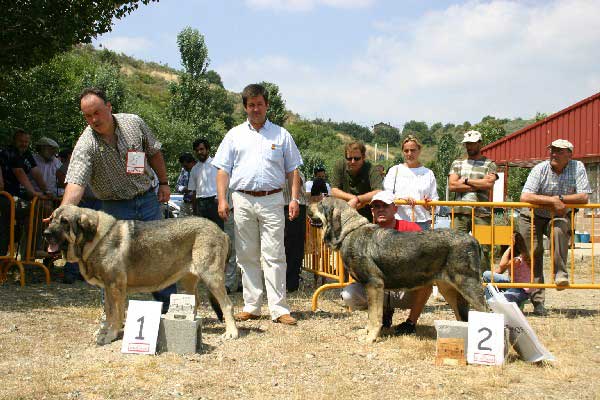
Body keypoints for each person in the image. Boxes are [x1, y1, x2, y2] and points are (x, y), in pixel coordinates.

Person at [61, 87, 175, 312]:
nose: (93, 119)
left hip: (148, 200)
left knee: (160, 255)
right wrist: (63, 213)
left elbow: (154, 152)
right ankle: (113, 317)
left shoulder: (134, 123)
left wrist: (163, 182)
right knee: (111, 263)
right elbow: (76, 183)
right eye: (87, 116)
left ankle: (171, 312)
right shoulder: (86, 144)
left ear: (109, 107)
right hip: (114, 208)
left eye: (97, 112)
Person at [213, 83, 303, 326]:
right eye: (251, 105)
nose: (255, 109)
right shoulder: (234, 135)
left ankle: (279, 308)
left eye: (259, 104)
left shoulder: (282, 135)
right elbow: (223, 170)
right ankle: (252, 306)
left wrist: (294, 198)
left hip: (273, 199)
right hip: (241, 199)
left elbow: (293, 170)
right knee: (246, 254)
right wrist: (222, 199)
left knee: (275, 254)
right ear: (245, 107)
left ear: (267, 106)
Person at [341, 191, 432, 335]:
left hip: (404, 289)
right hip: (378, 288)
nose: (380, 209)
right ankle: (382, 314)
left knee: (427, 279)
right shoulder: (364, 233)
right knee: (349, 295)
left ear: (395, 209)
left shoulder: (412, 229)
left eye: (385, 205)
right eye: (376, 206)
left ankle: (410, 323)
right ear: (372, 211)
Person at [519, 139, 591, 316]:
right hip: (532, 216)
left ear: (569, 154)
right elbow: (525, 196)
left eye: (559, 151)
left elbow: (584, 197)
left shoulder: (578, 167)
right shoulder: (540, 168)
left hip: (558, 215)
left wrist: (560, 199)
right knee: (533, 254)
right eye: (552, 150)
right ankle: (537, 302)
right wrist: (553, 201)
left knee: (559, 229)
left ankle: (560, 275)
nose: (554, 154)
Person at [448, 130, 498, 269]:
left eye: (472, 143)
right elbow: (452, 185)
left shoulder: (489, 164)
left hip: (482, 212)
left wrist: (465, 181)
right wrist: (478, 184)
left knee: (484, 248)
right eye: (467, 144)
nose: (469, 146)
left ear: (479, 143)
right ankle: (457, 281)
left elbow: (488, 184)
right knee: (456, 248)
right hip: (459, 211)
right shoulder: (457, 163)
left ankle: (485, 283)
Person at [0, 129, 51, 258]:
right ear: (14, 141)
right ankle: (29, 251)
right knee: (34, 209)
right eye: (21, 141)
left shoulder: (27, 154)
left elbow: (36, 173)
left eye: (26, 142)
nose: (24, 144)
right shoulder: (10, 152)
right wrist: (34, 193)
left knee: (43, 208)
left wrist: (46, 191)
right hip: (6, 196)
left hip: (17, 195)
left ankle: (29, 252)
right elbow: (19, 173)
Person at [383, 135, 438, 230]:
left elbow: (435, 201)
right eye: (406, 151)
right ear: (402, 152)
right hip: (398, 222)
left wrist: (429, 206)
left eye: (413, 150)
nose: (409, 153)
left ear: (419, 151)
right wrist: (401, 199)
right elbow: (386, 195)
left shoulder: (429, 173)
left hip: (422, 224)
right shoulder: (394, 170)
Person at [330, 141, 382, 221]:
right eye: (349, 158)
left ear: (363, 157)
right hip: (342, 215)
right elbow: (334, 191)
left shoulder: (372, 169)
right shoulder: (339, 165)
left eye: (356, 158)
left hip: (365, 217)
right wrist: (354, 199)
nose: (353, 161)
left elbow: (378, 191)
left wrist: (358, 199)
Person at [482, 231, 534, 306]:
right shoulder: (514, 258)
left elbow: (502, 264)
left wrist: (510, 246)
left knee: (502, 299)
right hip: (513, 284)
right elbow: (500, 270)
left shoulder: (520, 258)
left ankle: (493, 304)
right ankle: (491, 303)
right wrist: (483, 278)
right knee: (486, 274)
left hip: (521, 289)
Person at [189, 138, 222, 229]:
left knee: (218, 231)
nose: (199, 152)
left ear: (207, 149)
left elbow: (225, 183)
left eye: (201, 149)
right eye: (197, 150)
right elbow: (193, 191)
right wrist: (194, 210)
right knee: (203, 232)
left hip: (215, 202)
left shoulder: (217, 164)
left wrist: (220, 199)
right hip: (201, 204)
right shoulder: (194, 169)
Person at [283, 170, 308, 292]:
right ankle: (282, 281)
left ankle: (292, 283)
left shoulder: (294, 166)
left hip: (297, 206)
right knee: (281, 246)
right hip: (277, 206)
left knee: (295, 246)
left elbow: (299, 180)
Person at [175, 152, 196, 217]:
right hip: (185, 203)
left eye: (186, 166)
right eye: (183, 166)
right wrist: (184, 189)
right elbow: (177, 186)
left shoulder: (200, 169)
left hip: (197, 205)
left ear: (192, 162)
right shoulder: (184, 170)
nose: (185, 168)